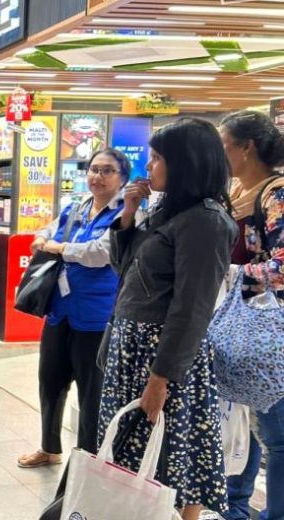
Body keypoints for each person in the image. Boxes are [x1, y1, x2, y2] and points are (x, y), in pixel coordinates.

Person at [103, 118, 237, 520]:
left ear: (186, 163)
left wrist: (161, 378)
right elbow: (125, 269)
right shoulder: (167, 211)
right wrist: (128, 214)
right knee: (135, 451)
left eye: (158, 158)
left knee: (176, 453)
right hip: (135, 349)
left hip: (164, 356)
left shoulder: (206, 220)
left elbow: (192, 307)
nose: (149, 166)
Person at [17, 149, 131, 469]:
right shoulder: (78, 205)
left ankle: (87, 460)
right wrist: (43, 239)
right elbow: (48, 229)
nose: (97, 176)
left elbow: (100, 253)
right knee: (50, 381)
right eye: (93, 169)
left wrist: (60, 248)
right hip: (59, 310)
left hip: (95, 316)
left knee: (92, 393)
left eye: (107, 171)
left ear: (123, 177)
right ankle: (49, 447)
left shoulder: (125, 214)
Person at [219, 110, 284, 520]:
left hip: (268, 332)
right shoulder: (234, 194)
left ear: (247, 147)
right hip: (239, 327)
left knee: (277, 437)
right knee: (244, 426)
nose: (219, 154)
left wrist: (232, 274)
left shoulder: (275, 195)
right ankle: (236, 508)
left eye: (224, 145)